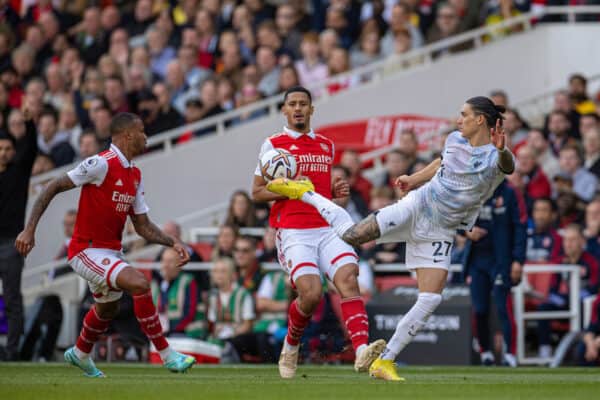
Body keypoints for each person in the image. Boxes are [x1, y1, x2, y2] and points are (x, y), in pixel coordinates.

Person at [267, 96, 515, 380]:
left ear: (479, 120)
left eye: (464, 114)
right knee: (351, 235)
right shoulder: (454, 139)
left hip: (441, 229)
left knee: (431, 298)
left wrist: (503, 150)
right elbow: (441, 163)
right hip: (416, 207)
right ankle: (304, 193)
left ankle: (385, 361)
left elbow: (507, 167)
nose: (459, 119)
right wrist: (413, 179)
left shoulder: (498, 154)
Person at [15, 112, 195, 377]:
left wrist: (172, 242)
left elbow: (143, 225)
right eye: (143, 131)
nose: (147, 136)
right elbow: (52, 186)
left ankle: (80, 353)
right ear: (128, 135)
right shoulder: (100, 163)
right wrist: (29, 230)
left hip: (110, 251)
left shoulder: (135, 173)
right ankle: (167, 355)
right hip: (86, 249)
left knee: (107, 308)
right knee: (140, 283)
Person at [252, 86, 385, 378]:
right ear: (284, 110)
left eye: (303, 104)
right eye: (292, 104)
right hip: (294, 231)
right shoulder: (273, 145)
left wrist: (337, 194)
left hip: (326, 229)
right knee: (310, 295)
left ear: (312, 110)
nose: (298, 108)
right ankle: (291, 345)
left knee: (349, 278)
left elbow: (322, 195)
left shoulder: (326, 145)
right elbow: (257, 193)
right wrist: (287, 189)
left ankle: (362, 350)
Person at [462, 179, 527, 367]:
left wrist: (518, 260)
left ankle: (511, 355)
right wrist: (467, 232)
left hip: (501, 261)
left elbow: (521, 226)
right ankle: (485, 353)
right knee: (480, 309)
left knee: (503, 307)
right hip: (477, 260)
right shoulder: (471, 188)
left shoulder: (510, 191)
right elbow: (453, 217)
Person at [0, 105, 36, 361]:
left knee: (12, 299)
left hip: (12, 244)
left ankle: (12, 353)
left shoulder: (19, 172)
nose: (3, 153)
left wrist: (29, 123)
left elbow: (30, 149)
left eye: (8, 149)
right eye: (0, 148)